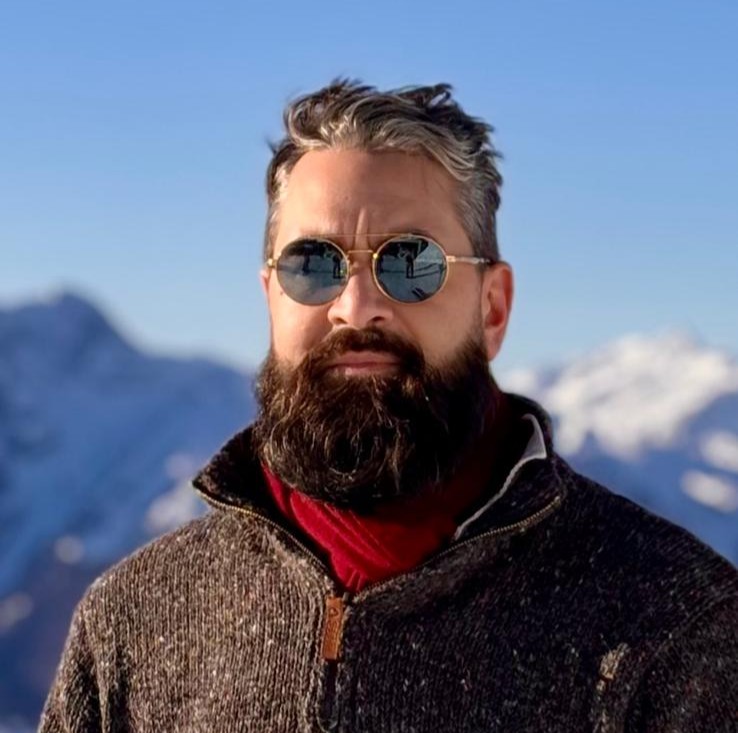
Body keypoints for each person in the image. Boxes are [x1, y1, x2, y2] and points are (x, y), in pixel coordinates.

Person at [40, 80, 738, 733]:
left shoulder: (674, 625)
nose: (356, 306)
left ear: (492, 308)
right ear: (271, 297)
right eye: (312, 264)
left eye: (410, 261)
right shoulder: (131, 619)